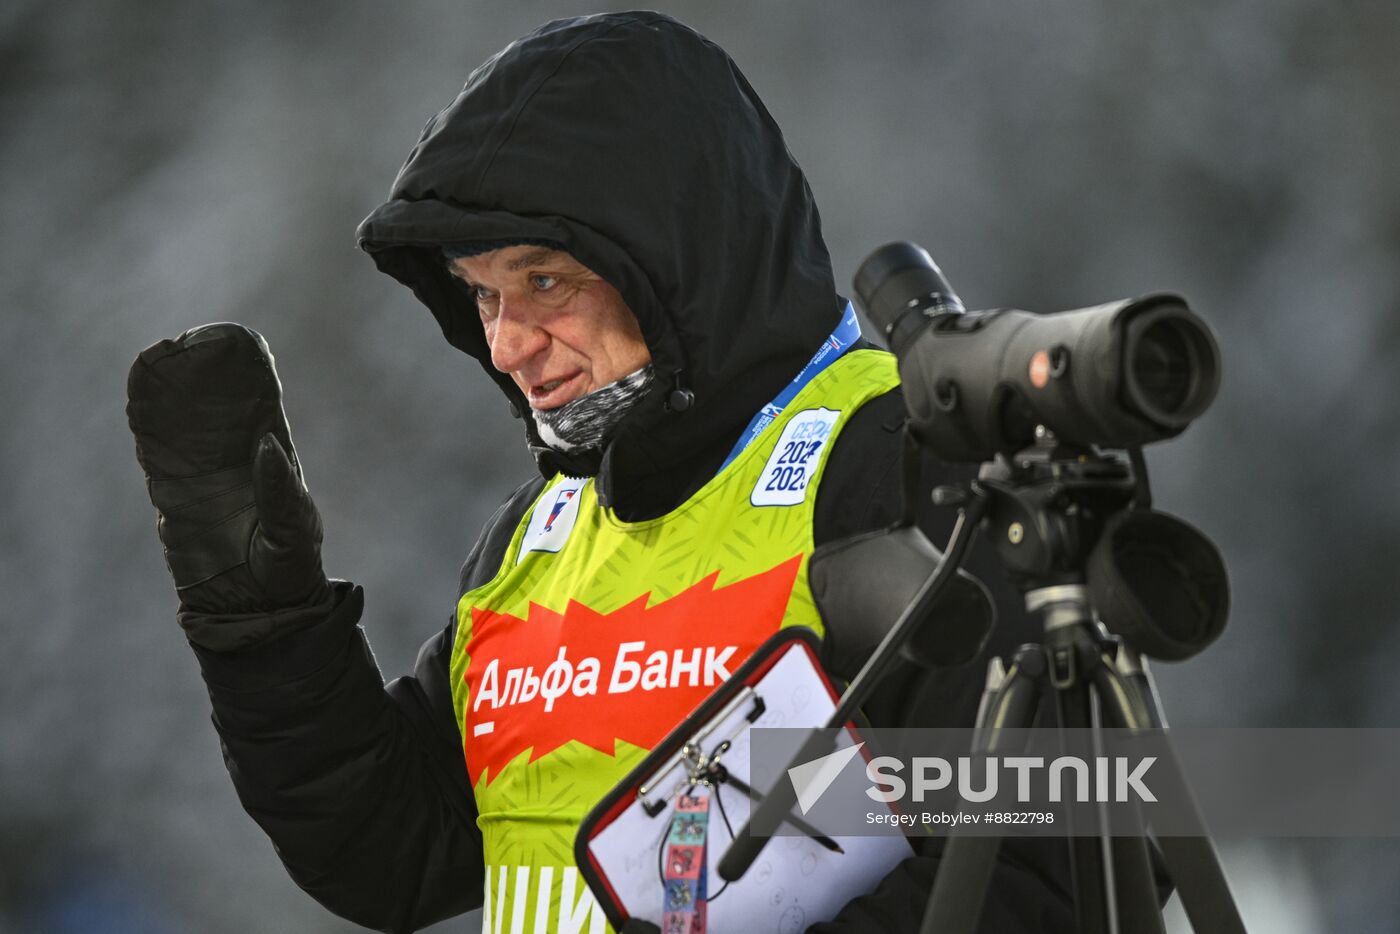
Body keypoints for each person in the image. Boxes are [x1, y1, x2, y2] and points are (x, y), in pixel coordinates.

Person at [126, 11, 1072, 933]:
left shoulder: (909, 465)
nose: (504, 344)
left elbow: (1058, 866)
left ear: (681, 257)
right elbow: (394, 857)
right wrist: (268, 629)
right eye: (480, 294)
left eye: (544, 282)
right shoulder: (543, 534)